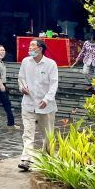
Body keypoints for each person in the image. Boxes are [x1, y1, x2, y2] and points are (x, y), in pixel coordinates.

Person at [17, 39, 58, 171]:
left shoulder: (51, 64)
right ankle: (26, 159)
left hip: (46, 105)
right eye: (29, 46)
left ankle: (48, 158)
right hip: (28, 103)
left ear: (40, 48)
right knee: (28, 133)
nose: (30, 48)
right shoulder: (25, 62)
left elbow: (54, 84)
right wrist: (22, 88)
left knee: (48, 135)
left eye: (32, 46)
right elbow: (21, 78)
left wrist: (47, 99)